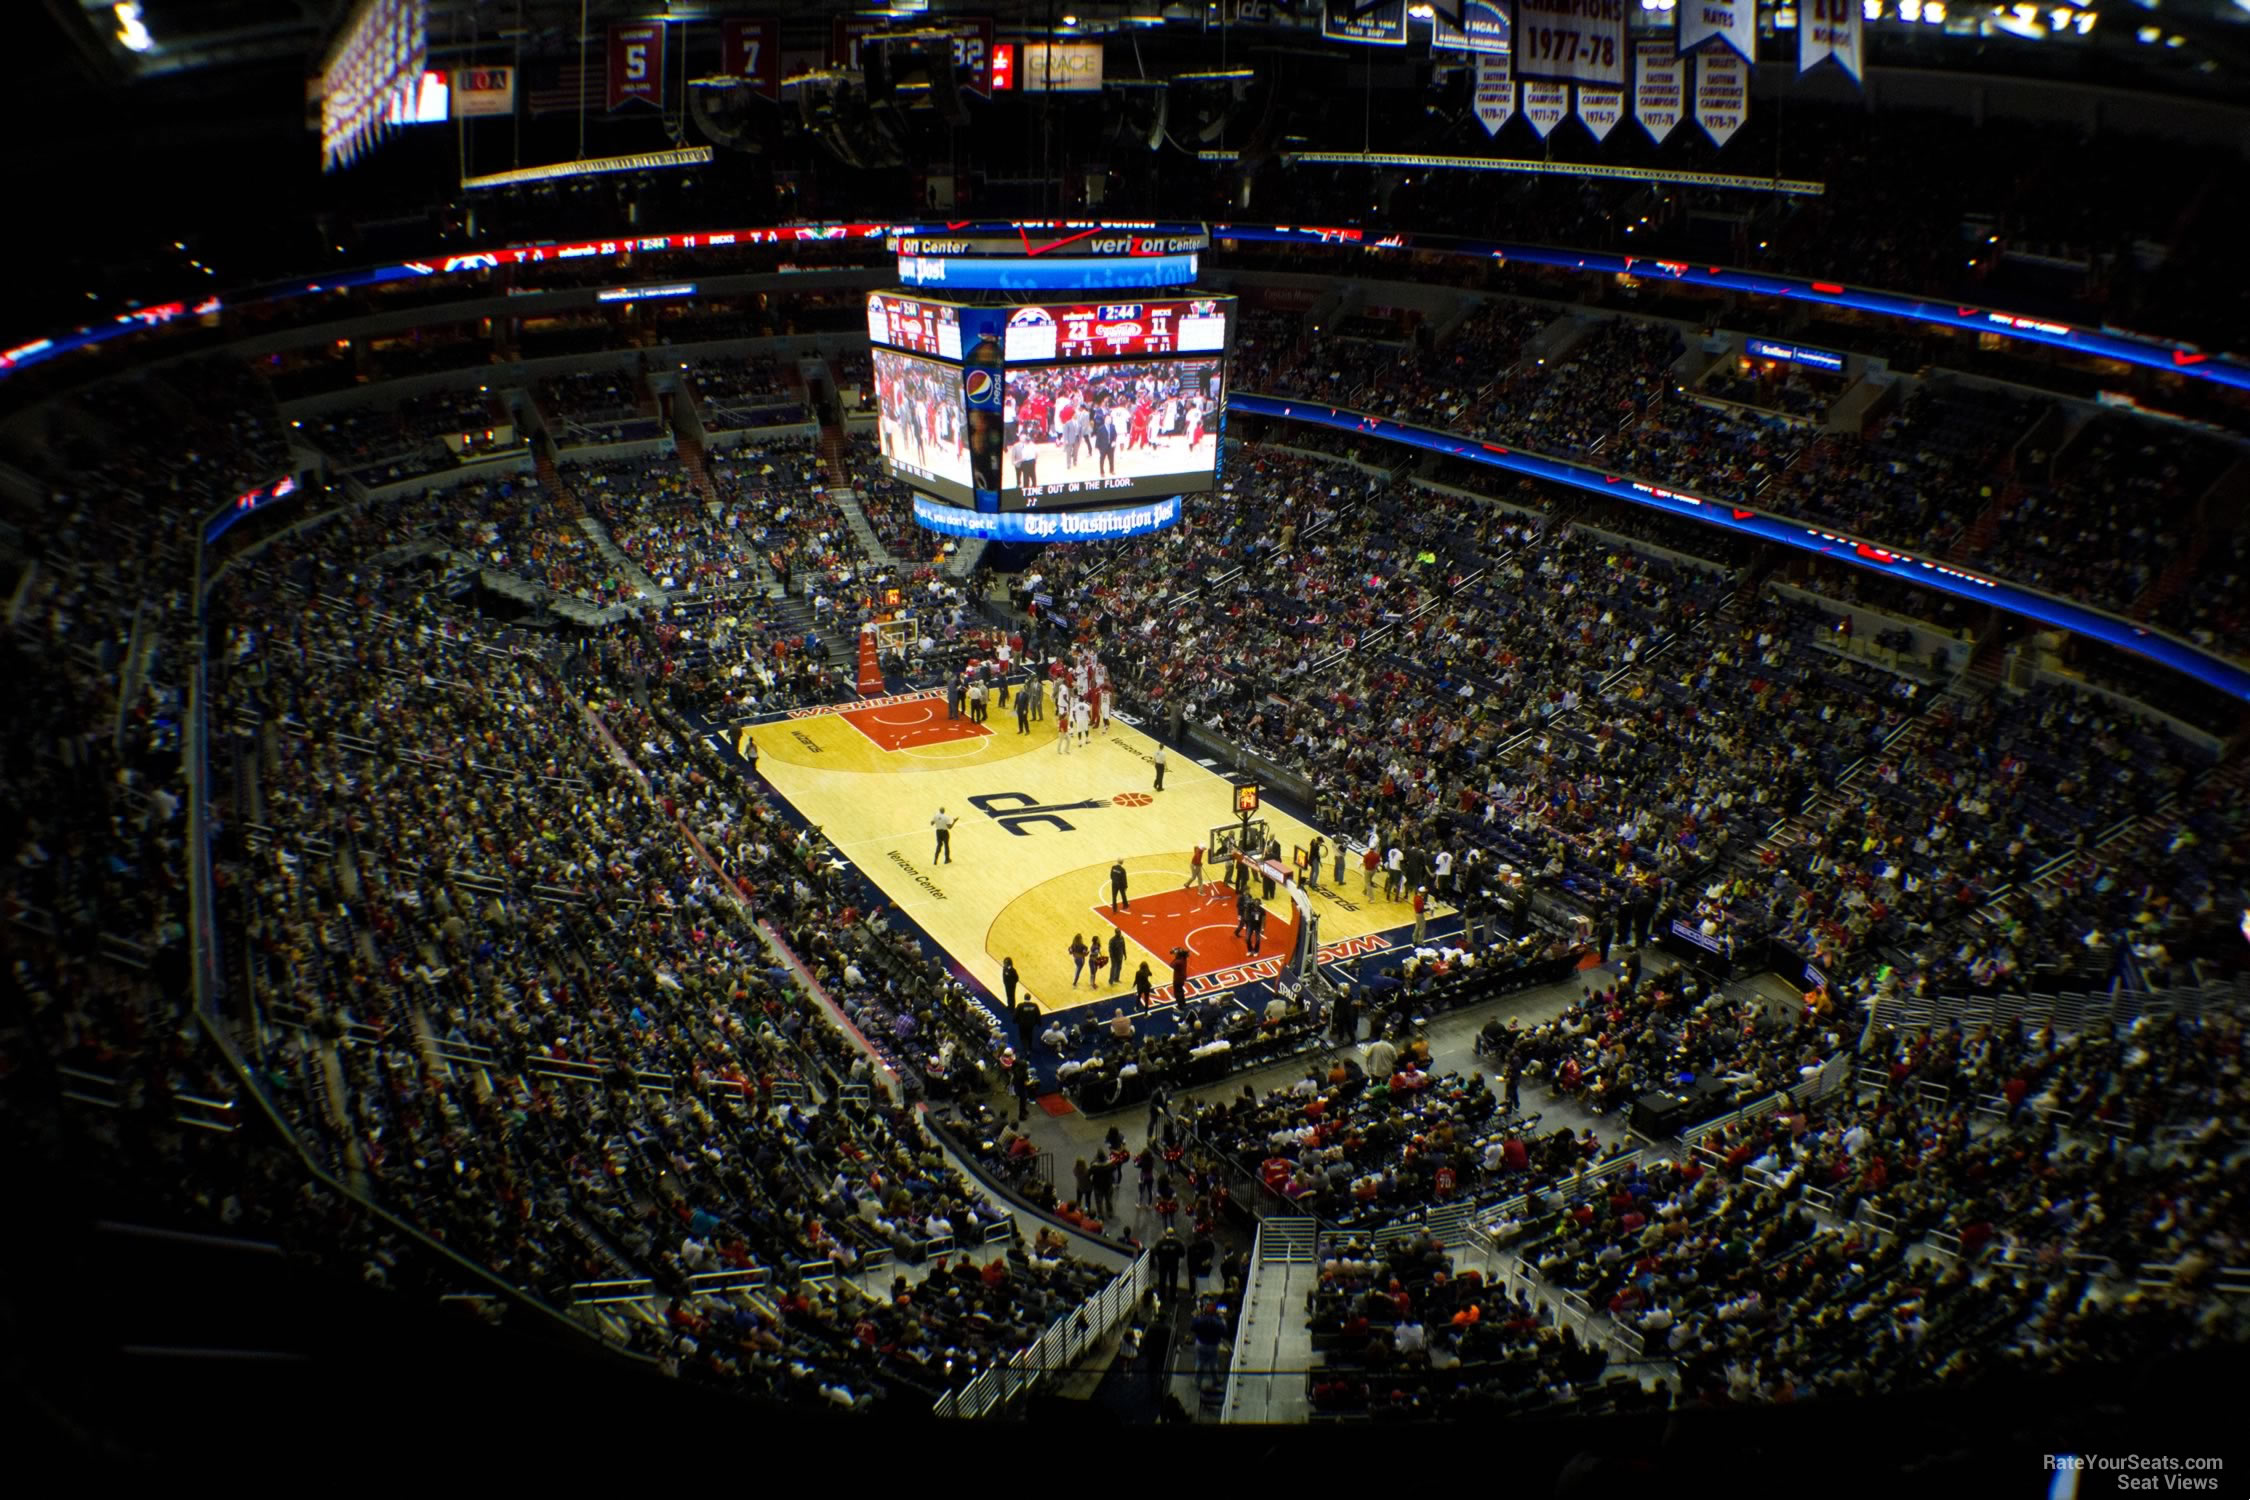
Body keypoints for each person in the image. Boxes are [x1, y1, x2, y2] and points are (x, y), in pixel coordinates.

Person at [1190, 1298, 1228, 1392]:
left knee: (1200, 1363)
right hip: (1213, 1345)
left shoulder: (1200, 1320)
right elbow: (1224, 1331)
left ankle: (1197, 1382)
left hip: (1201, 1344)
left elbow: (1192, 1327)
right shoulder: (1217, 1322)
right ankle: (1216, 1380)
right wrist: (1222, 1318)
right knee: (1213, 1364)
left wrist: (1195, 1316)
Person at [1154, 1227, 1186, 1304]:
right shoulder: (1177, 1243)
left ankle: (1162, 1297)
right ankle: (1173, 1298)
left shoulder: (1160, 1242)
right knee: (1173, 1281)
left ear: (1166, 1233)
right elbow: (1182, 1253)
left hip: (1163, 1264)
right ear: (1173, 1234)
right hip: (1174, 1264)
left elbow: (1155, 1252)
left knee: (1162, 1280)